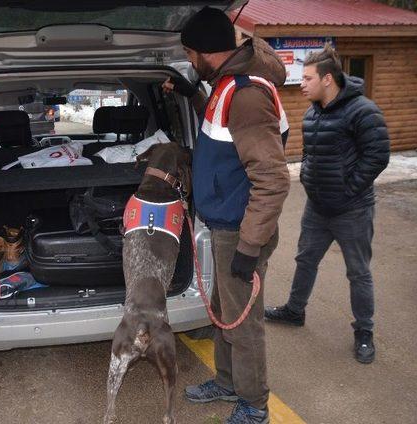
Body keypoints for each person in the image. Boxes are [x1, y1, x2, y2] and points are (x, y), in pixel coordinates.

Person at [163, 7, 290, 424]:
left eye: (188, 53)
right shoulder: (222, 85)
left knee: (243, 322)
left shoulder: (246, 94)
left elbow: (272, 179)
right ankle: (227, 381)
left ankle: (254, 405)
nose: (188, 60)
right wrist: (188, 91)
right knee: (223, 308)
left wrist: (250, 246)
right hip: (225, 225)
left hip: (241, 230)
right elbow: (222, 134)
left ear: (204, 52)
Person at [265, 46, 390, 364]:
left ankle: (364, 332)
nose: (302, 83)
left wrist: (348, 190)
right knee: (305, 260)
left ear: (328, 79)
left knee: (358, 273)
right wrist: (308, 177)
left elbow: (377, 156)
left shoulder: (364, 110)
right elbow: (310, 153)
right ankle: (295, 311)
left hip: (353, 209)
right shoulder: (312, 112)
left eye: (307, 78)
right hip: (317, 208)